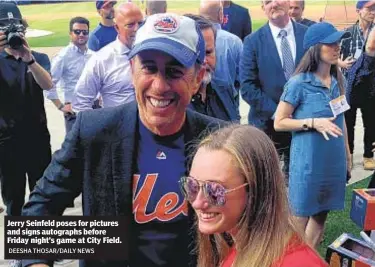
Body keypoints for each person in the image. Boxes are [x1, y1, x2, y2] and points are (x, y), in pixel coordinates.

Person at [21, 13, 226, 267]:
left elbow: (251, 226)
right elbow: (40, 208)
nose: (159, 85)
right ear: (132, 70)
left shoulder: (220, 141)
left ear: (197, 78)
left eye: (174, 72)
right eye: (149, 68)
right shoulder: (94, 132)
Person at [180, 124, 328, 267]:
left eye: (213, 190)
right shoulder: (238, 245)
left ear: (255, 190)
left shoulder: (298, 263)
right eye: (192, 186)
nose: (197, 203)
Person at [274, 22, 351, 249]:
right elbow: (279, 122)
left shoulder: (338, 81)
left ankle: (309, 259)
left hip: (332, 161)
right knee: (299, 219)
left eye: (338, 42)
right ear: (315, 48)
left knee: (320, 216)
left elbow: (341, 120)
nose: (337, 47)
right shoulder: (298, 83)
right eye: (331, 43)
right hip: (308, 164)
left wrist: (347, 155)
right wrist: (313, 123)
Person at [240, 0, 307, 179]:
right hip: (267, 126)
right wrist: (279, 113)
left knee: (300, 180)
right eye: (268, 1)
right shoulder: (252, 41)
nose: (274, 4)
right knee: (266, 182)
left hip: (304, 123)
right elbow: (247, 86)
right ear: (263, 8)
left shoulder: (307, 35)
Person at [0, 2, 53, 217]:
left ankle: (40, 242)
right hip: (7, 140)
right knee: (13, 198)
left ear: (24, 27)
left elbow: (48, 84)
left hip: (37, 137)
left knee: (41, 194)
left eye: (17, 26)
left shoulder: (38, 58)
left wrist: (28, 58)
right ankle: (19, 247)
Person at [72, 2, 143, 112]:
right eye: (130, 25)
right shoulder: (101, 59)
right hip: (118, 128)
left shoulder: (153, 53)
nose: (137, 29)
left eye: (141, 23)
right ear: (117, 28)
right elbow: (80, 102)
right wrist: (99, 126)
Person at [340, 0, 375, 170]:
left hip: (371, 86)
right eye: (369, 8)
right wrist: (341, 63)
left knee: (371, 122)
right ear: (358, 11)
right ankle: (350, 153)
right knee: (349, 121)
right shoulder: (347, 33)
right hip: (351, 84)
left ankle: (369, 154)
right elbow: (333, 56)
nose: (373, 12)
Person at [185, 14, 239, 121]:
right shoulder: (173, 103)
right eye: (196, 54)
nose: (204, 61)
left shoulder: (225, 89)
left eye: (208, 52)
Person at [45, 16, 93, 134]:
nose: (81, 34)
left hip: (93, 109)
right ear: (70, 34)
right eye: (77, 32)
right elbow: (49, 85)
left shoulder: (92, 55)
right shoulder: (63, 56)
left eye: (84, 32)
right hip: (74, 111)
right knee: (74, 149)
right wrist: (60, 106)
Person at [199, 0, 243, 107]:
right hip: (229, 107)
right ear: (220, 15)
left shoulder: (192, 38)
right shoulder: (234, 41)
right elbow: (243, 78)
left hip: (199, 106)